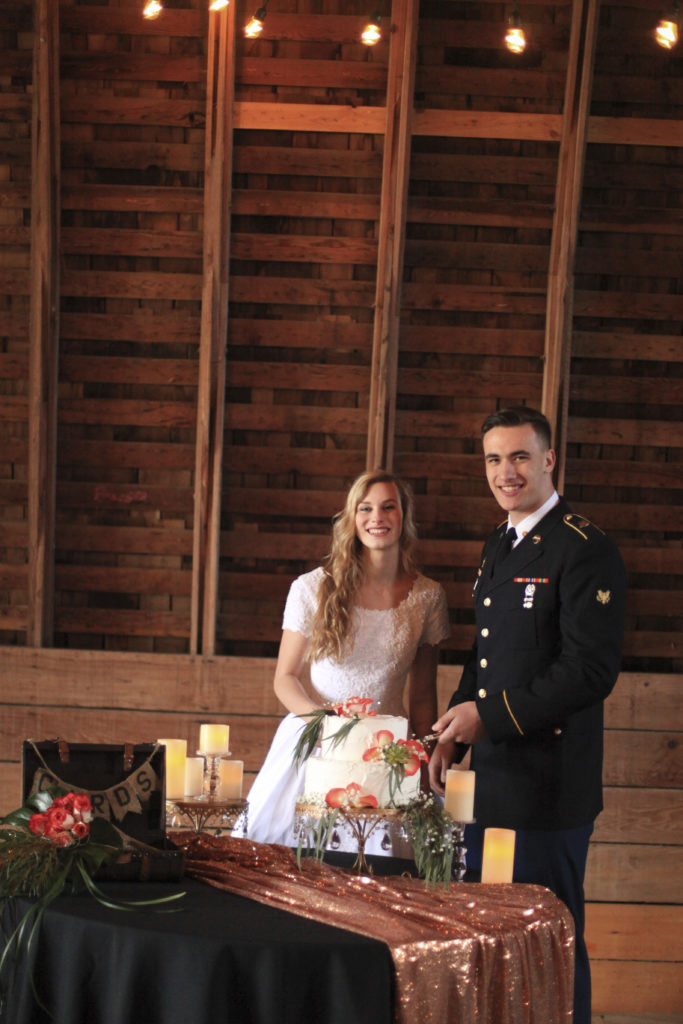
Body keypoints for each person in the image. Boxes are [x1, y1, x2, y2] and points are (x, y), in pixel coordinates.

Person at [428, 406, 626, 1024]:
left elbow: (590, 671)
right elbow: (485, 657)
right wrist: (449, 739)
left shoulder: (583, 547)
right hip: (488, 782)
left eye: (518, 456)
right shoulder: (500, 542)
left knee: (549, 946)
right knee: (490, 942)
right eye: (493, 458)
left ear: (548, 460)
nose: (505, 472)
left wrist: (487, 718)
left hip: (548, 787)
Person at [246, 469, 450, 849]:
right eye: (366, 508)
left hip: (390, 751)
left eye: (389, 507)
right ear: (352, 519)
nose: (377, 517)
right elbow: (285, 678)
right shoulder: (312, 588)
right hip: (319, 744)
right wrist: (324, 726)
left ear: (404, 518)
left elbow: (423, 697)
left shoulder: (428, 598)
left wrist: (423, 764)